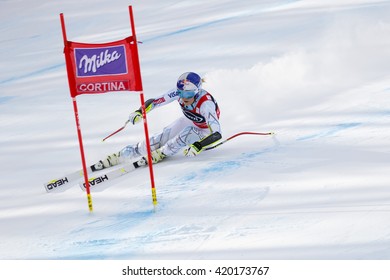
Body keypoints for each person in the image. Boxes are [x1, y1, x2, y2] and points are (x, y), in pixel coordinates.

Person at [93, 72, 222, 170]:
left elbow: (217, 133)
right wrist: (140, 111)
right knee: (161, 137)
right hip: (189, 120)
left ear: (197, 91)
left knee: (185, 134)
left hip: (206, 133)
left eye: (187, 94)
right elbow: (155, 102)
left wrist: (199, 145)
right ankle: (127, 153)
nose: (183, 97)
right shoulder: (180, 92)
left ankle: (161, 153)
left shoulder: (206, 104)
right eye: (180, 93)